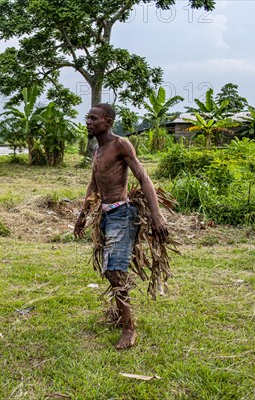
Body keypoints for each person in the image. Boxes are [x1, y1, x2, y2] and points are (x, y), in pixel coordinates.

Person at [73, 103, 169, 350]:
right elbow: (93, 187)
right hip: (106, 216)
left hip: (123, 214)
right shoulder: (98, 149)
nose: (88, 122)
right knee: (112, 270)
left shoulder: (120, 145)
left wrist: (157, 216)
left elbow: (143, 178)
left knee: (114, 270)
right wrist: (82, 216)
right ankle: (122, 315)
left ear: (108, 122)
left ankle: (129, 329)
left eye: (93, 118)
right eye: (87, 117)